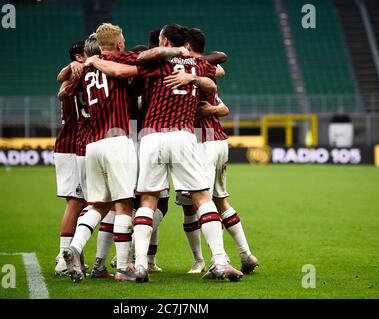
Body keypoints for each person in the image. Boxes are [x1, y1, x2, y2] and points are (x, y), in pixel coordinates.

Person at [85, 23, 243, 283]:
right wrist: (193, 74)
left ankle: (140, 266)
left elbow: (123, 68)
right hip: (184, 136)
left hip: (152, 136)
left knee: (148, 199)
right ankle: (220, 261)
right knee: (203, 198)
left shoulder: (155, 64)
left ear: (164, 41)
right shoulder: (199, 64)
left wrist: (94, 61)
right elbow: (214, 83)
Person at [59, 23, 189, 283]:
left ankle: (72, 249)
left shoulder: (86, 69)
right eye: (124, 40)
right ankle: (123, 268)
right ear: (119, 44)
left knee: (98, 204)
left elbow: (63, 91)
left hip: (92, 145)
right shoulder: (124, 58)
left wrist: (80, 65)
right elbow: (144, 59)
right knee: (124, 205)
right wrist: (180, 51)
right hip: (117, 139)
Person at [177, 28, 259, 275]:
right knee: (220, 200)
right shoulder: (206, 70)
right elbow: (223, 102)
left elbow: (221, 105)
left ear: (188, 48)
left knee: (194, 204)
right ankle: (246, 254)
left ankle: (213, 260)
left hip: (199, 143)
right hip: (219, 141)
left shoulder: (187, 72)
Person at [53, 40, 89, 276]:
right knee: (76, 203)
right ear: (78, 57)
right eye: (89, 52)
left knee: (81, 204)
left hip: (72, 145)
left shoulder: (74, 77)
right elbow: (62, 87)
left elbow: (60, 84)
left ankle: (72, 255)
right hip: (73, 146)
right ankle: (64, 258)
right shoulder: (79, 78)